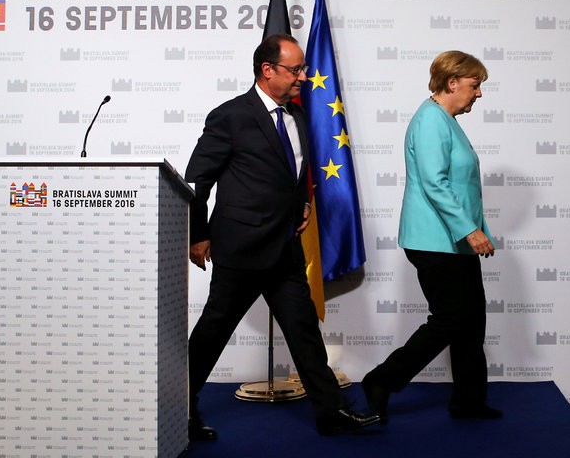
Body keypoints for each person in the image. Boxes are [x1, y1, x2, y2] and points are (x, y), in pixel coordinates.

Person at [185, 33, 382, 440]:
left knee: (304, 333)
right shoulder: (230, 116)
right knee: (211, 335)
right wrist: (197, 234)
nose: (303, 77)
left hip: (285, 250)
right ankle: (176, 407)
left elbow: (291, 172)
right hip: (240, 250)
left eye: (303, 69)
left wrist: (302, 205)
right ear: (267, 70)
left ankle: (332, 412)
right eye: (295, 70)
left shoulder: (298, 115)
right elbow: (197, 180)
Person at [362, 50, 502, 422]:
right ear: (452, 83)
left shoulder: (446, 120)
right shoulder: (430, 120)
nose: (479, 94)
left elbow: (461, 186)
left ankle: (469, 401)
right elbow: (435, 184)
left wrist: (474, 232)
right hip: (435, 241)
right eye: (475, 85)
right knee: (450, 319)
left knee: (471, 322)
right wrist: (470, 230)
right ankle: (381, 380)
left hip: (453, 241)